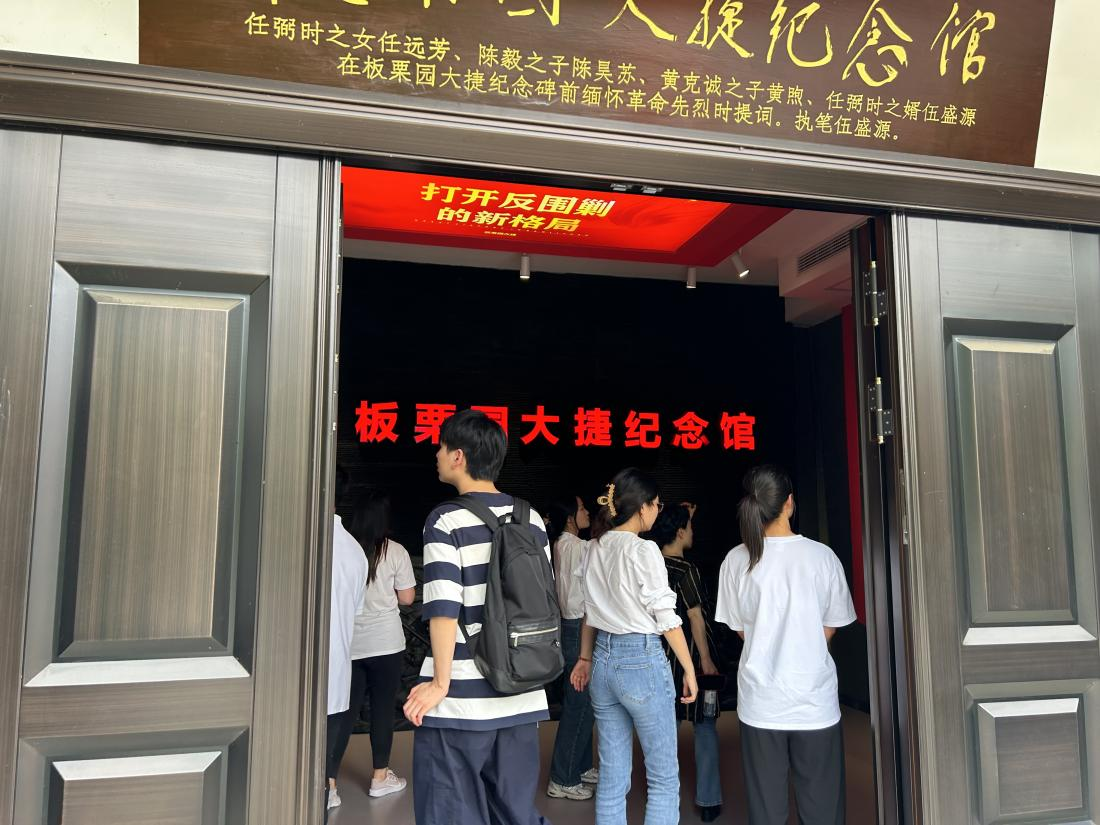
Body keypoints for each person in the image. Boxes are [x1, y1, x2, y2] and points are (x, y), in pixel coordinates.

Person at [403, 409, 553, 825]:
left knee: (452, 812)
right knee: (515, 813)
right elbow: (545, 600)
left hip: (462, 701)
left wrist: (439, 683)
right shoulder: (531, 518)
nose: (436, 454)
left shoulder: (445, 520)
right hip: (522, 691)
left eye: (441, 446)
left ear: (459, 456)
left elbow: (443, 608)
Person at [715, 465, 856, 825]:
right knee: (823, 809)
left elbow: (741, 629)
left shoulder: (736, 560)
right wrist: (803, 642)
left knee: (766, 812)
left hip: (761, 702)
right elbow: (831, 625)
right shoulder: (822, 557)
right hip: (814, 701)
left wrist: (769, 641)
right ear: (789, 503)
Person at [571, 468, 698, 825]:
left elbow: (588, 612)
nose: (658, 511)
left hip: (603, 661)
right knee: (662, 778)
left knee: (612, 778)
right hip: (641, 660)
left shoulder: (593, 548)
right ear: (643, 507)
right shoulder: (644, 550)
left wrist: (584, 658)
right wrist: (689, 668)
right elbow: (666, 618)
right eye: (657, 505)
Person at [329, 492, 417, 799]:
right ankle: (380, 777)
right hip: (386, 644)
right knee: (382, 710)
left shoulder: (345, 549)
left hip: (350, 644)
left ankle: (329, 784)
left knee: (343, 712)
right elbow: (407, 598)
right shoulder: (396, 551)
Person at [648, 502, 723, 823]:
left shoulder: (652, 566)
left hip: (660, 659)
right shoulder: (686, 570)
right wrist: (705, 659)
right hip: (691, 659)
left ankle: (663, 800)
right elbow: (695, 617)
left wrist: (685, 514)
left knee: (665, 732)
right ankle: (709, 800)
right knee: (704, 728)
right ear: (680, 533)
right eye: (689, 527)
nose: (693, 531)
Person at [545, 495, 597, 801]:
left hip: (569, 626)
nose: (587, 512)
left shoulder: (560, 545)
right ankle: (562, 778)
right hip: (580, 628)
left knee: (581, 702)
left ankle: (581, 766)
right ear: (569, 518)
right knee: (580, 704)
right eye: (581, 509)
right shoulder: (580, 547)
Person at [326, 483, 369, 812]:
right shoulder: (355, 551)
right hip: (335, 668)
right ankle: (328, 788)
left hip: (285, 672)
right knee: (324, 756)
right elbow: (355, 611)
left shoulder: (290, 539)